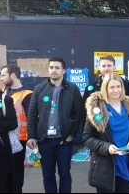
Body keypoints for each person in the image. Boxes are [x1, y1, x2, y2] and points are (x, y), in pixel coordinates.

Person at [26, 57, 83, 193]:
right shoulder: (39, 89)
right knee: (48, 176)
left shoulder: (72, 89)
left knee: (64, 175)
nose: (54, 70)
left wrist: (71, 135)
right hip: (44, 141)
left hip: (63, 141)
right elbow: (32, 114)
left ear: (63, 70)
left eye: (57, 68)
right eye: (51, 67)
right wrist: (32, 136)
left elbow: (78, 113)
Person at [82, 72, 129, 193]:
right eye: (112, 87)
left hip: (127, 163)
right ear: (105, 88)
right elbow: (87, 137)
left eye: (118, 86)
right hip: (105, 165)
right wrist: (106, 147)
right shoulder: (97, 108)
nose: (116, 90)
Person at [0, 64, 33, 193]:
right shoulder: (3, 93)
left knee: (16, 175)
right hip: (4, 139)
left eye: (3, 75)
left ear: (13, 75)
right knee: (4, 175)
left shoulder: (27, 95)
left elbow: (31, 119)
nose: (1, 79)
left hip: (20, 140)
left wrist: (31, 138)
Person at [82, 55, 129, 128]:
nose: (106, 69)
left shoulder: (125, 85)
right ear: (99, 68)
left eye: (109, 66)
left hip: (122, 127)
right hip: (98, 130)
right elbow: (84, 112)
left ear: (114, 67)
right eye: (103, 66)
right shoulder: (91, 88)